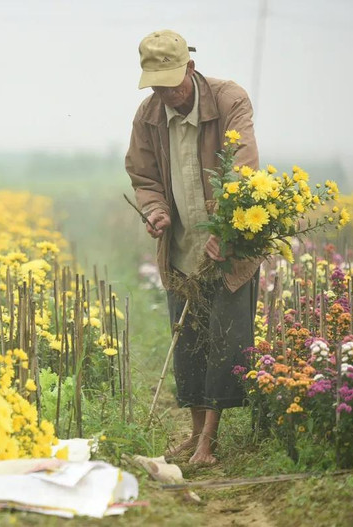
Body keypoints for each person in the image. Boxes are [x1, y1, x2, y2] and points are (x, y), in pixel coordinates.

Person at [125, 30, 261, 464]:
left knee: (223, 341)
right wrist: (155, 210)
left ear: (190, 67)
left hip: (228, 247)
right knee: (188, 342)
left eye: (172, 82)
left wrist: (228, 226)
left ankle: (209, 441)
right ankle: (194, 433)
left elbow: (242, 170)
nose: (166, 93)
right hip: (182, 249)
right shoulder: (148, 116)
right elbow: (144, 177)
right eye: (157, 86)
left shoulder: (227, 100)